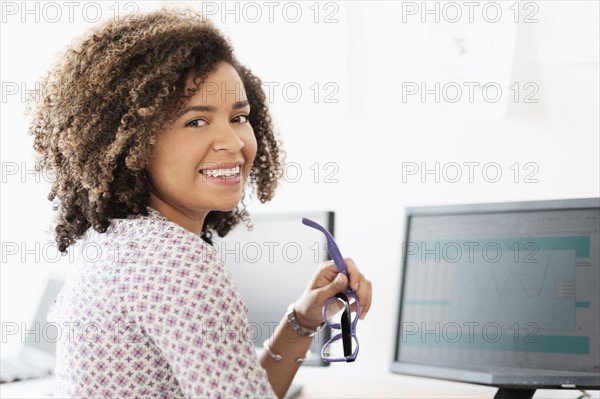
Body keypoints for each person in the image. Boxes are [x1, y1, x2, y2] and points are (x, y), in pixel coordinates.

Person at [29, 8, 372, 399]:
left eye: (239, 117)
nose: (233, 142)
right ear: (132, 143)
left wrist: (301, 322)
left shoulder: (116, 243)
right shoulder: (177, 262)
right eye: (196, 121)